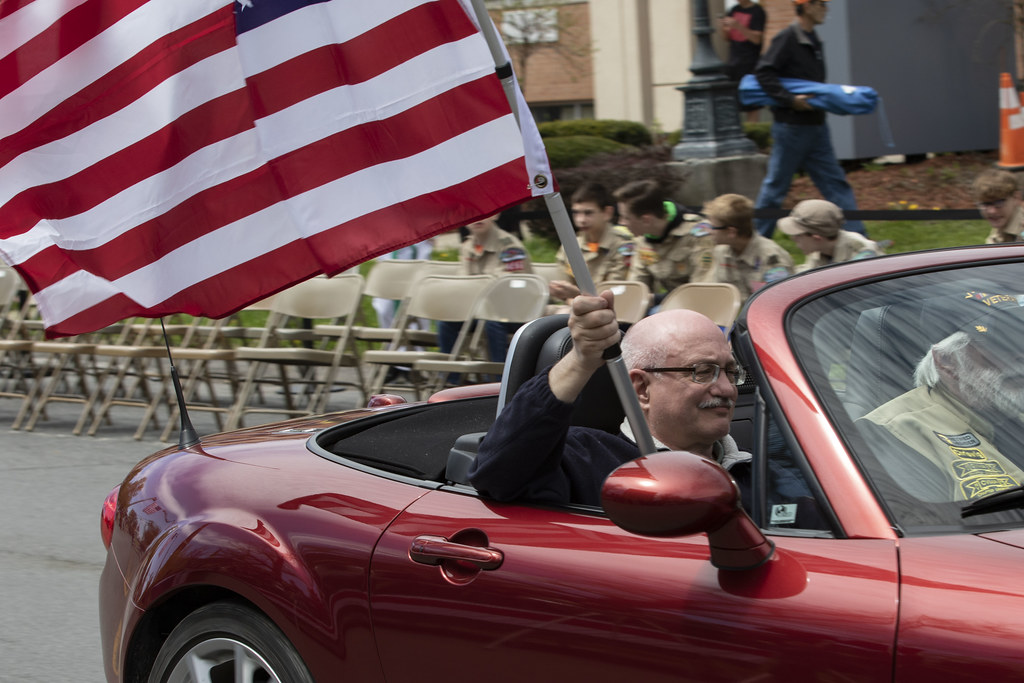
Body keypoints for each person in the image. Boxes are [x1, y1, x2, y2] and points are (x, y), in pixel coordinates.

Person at [468, 292, 750, 507]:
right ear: (641, 388)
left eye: (731, 371)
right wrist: (581, 361)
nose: (726, 389)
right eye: (703, 372)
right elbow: (498, 474)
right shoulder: (589, 459)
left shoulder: (763, 462)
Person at [860, 294, 1024, 502]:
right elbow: (923, 528)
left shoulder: (1011, 418)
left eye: (1021, 339)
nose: (1021, 354)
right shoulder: (898, 431)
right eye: (1002, 343)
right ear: (947, 361)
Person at [752, 0, 866, 238]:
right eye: (822, 4)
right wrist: (790, 100)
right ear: (806, 6)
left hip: (816, 127)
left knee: (837, 185)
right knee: (775, 190)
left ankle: (860, 242)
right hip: (790, 128)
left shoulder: (814, 39)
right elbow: (764, 72)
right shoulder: (787, 38)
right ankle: (755, 245)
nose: (827, 8)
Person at [437, 214, 533, 364]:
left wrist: (475, 287)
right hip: (481, 310)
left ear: (496, 215)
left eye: (483, 213)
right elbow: (462, 282)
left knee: (491, 323)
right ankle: (451, 378)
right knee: (447, 321)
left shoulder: (509, 246)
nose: (477, 218)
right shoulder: (467, 246)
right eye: (472, 214)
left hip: (515, 311)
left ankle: (497, 378)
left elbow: (510, 284)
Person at [614, 179, 715, 304]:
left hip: (698, 308)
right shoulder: (642, 240)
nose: (621, 223)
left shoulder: (698, 235)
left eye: (626, 218)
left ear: (646, 220)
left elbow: (703, 290)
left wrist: (657, 299)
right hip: (666, 306)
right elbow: (637, 286)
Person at [549, 182, 634, 306]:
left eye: (588, 213)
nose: (581, 220)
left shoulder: (623, 246)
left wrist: (575, 294)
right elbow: (563, 290)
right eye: (576, 213)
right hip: (574, 308)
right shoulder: (571, 245)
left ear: (607, 213)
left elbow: (617, 293)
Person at [699, 193, 794, 301]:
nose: (708, 231)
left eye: (712, 227)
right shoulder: (721, 251)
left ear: (731, 232)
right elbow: (715, 294)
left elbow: (779, 304)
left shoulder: (771, 259)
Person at [778, 199, 884, 272]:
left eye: (798, 235)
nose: (793, 238)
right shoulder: (820, 250)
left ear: (816, 238)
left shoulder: (862, 255)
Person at [720, 0, 766, 123]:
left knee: (752, 105)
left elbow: (757, 39)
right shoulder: (733, 10)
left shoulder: (757, 11)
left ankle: (753, 135)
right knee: (731, 104)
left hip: (750, 64)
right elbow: (727, 38)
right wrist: (724, 28)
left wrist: (738, 26)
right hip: (733, 64)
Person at [971, 168, 1024, 244]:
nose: (992, 211)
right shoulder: (1001, 229)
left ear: (1016, 198)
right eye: (985, 204)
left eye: (999, 202)